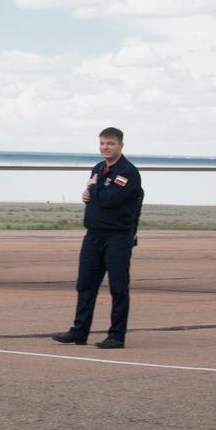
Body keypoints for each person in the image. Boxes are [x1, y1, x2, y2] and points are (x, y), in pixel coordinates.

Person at [52, 126, 143, 350]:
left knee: (118, 287)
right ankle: (79, 331)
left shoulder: (127, 172)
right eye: (102, 143)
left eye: (110, 144)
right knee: (85, 285)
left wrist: (92, 193)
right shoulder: (99, 168)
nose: (105, 147)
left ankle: (116, 335)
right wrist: (91, 194)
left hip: (117, 237)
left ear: (120, 145)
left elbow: (111, 198)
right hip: (93, 236)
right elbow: (94, 193)